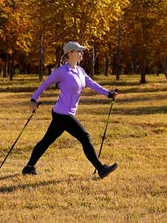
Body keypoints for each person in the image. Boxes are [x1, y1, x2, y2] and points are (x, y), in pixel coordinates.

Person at [22, 41, 119, 179]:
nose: (81, 53)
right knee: (85, 137)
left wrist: (108, 93)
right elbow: (45, 84)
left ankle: (29, 167)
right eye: (78, 51)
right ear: (70, 54)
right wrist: (33, 99)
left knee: (46, 141)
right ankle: (101, 169)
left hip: (63, 113)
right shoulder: (61, 72)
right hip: (62, 114)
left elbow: (92, 84)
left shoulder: (80, 71)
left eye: (81, 51)